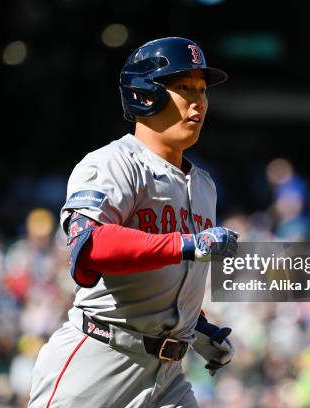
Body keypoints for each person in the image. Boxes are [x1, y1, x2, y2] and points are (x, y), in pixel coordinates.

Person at [29, 37, 238, 408]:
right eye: (184, 87)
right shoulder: (113, 163)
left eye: (203, 90)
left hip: (168, 375)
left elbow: (172, 278)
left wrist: (199, 327)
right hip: (100, 359)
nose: (199, 102)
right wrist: (188, 244)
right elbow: (88, 247)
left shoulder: (204, 184)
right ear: (145, 94)